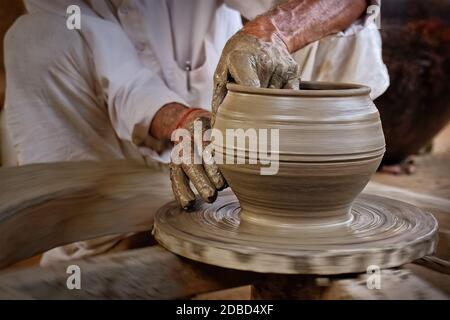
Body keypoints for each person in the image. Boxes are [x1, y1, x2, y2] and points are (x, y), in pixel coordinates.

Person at [1, 0, 388, 264]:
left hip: (243, 134)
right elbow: (123, 81)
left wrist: (271, 32)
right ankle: (97, 246)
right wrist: (185, 122)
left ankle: (313, 203)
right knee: (35, 39)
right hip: (119, 146)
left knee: (321, 15)